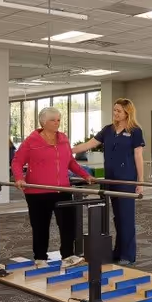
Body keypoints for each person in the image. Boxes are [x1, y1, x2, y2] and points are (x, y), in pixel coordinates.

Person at [12, 107, 93, 269]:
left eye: (58, 120)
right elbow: (17, 161)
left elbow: (70, 162)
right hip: (38, 191)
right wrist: (19, 178)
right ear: (43, 122)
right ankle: (40, 258)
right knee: (41, 225)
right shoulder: (31, 141)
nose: (57, 123)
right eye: (53, 120)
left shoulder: (63, 138)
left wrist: (85, 175)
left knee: (67, 224)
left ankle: (68, 256)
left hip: (63, 189)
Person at [74, 98, 145, 266]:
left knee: (126, 217)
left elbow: (138, 156)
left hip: (126, 179)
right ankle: (118, 251)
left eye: (119, 111)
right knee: (117, 216)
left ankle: (128, 255)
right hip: (110, 178)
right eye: (114, 110)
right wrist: (66, 150)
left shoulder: (135, 131)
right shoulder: (108, 130)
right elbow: (89, 144)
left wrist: (140, 181)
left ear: (128, 112)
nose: (115, 114)